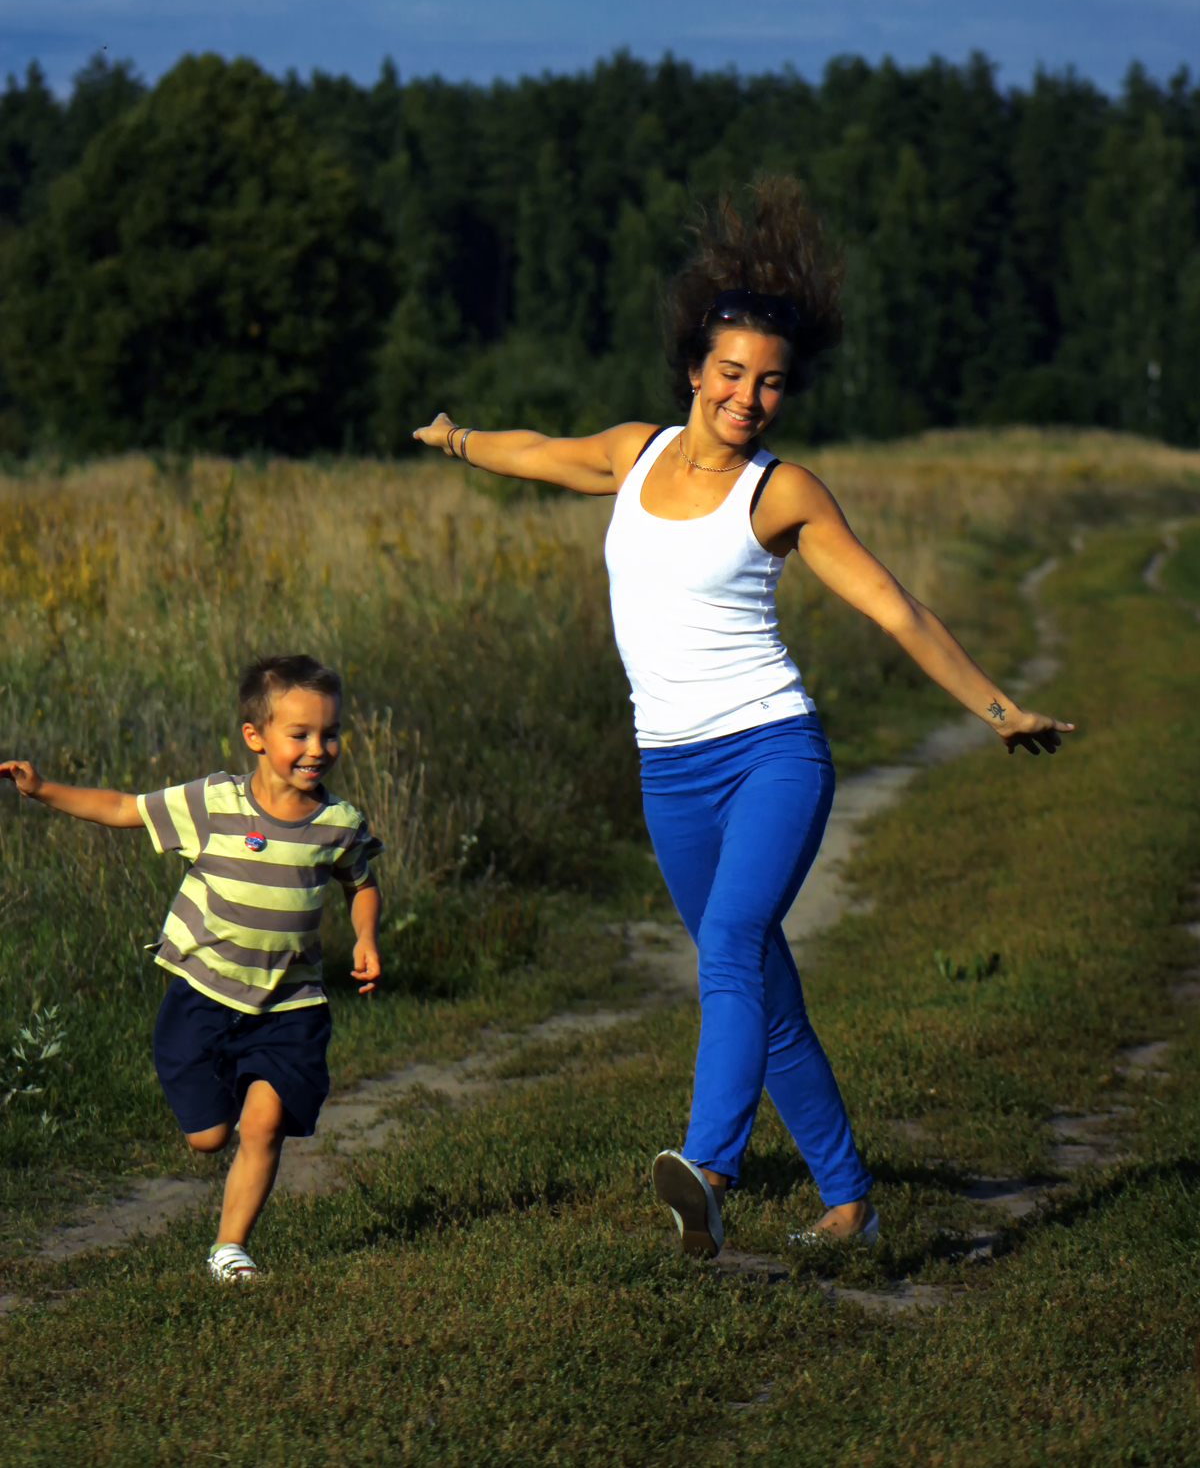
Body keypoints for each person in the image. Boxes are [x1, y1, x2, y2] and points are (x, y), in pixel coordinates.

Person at [413, 176, 1072, 1259]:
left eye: (769, 383)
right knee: (758, 986)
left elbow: (895, 606)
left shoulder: (783, 493)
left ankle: (708, 1169)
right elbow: (536, 451)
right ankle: (851, 1200)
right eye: (731, 375)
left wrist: (998, 708)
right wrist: (455, 438)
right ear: (694, 371)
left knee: (727, 941)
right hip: (668, 771)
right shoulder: (632, 455)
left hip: (772, 751)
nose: (748, 397)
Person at [0, 652, 383, 1282]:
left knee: (264, 1124)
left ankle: (229, 1249)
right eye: (300, 734)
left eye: (330, 733)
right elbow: (124, 808)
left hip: (289, 1003)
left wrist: (365, 936)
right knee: (208, 1138)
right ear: (255, 737)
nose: (319, 748)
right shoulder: (215, 803)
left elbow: (361, 883)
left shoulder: (339, 824)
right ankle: (224, 1086)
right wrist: (42, 789)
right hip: (202, 996)